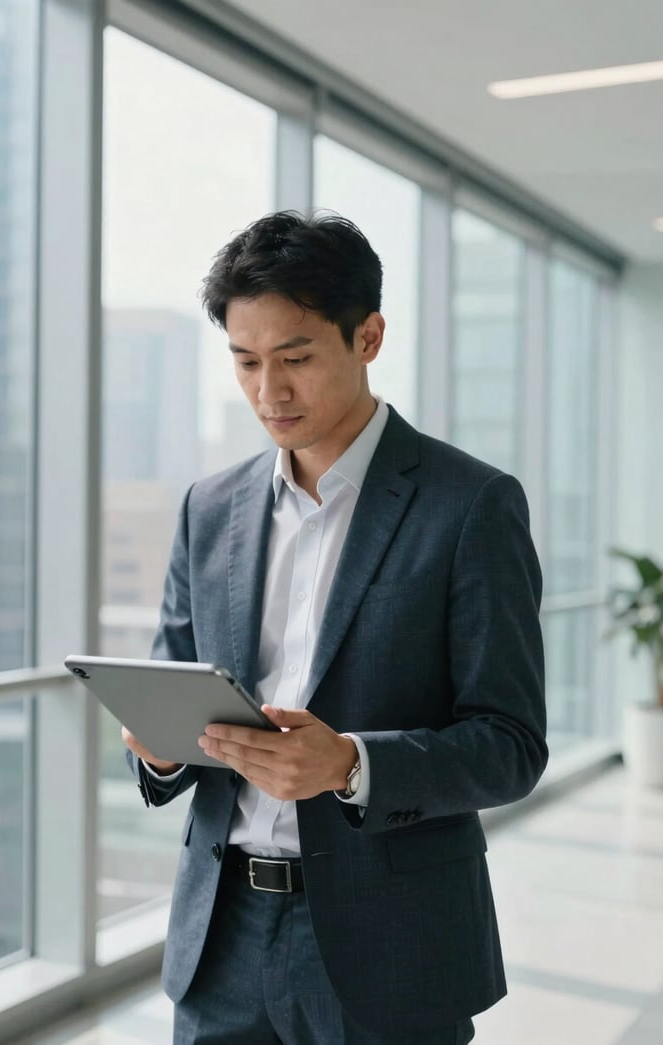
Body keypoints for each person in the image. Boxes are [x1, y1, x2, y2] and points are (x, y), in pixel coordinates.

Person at [122, 210, 547, 1045]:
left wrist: (350, 764)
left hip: (392, 944)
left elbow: (511, 744)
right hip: (220, 937)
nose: (268, 392)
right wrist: (159, 748)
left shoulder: (470, 506)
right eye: (245, 362)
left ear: (369, 337)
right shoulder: (209, 509)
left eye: (296, 358)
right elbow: (170, 685)